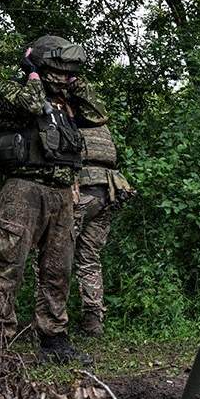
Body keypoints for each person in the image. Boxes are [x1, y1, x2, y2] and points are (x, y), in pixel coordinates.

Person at [0, 35, 106, 364]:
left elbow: (98, 115)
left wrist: (77, 84)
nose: (64, 78)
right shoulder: (14, 89)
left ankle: (54, 338)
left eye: (69, 73)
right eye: (59, 71)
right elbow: (33, 105)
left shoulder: (67, 101)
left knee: (58, 269)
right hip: (24, 189)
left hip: (62, 192)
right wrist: (32, 73)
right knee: (10, 263)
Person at [73, 121, 133, 336]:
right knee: (89, 258)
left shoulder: (67, 119)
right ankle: (93, 321)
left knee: (53, 254)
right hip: (107, 192)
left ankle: (49, 321)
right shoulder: (100, 124)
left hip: (80, 193)